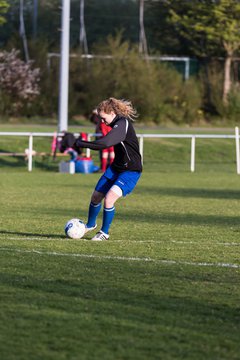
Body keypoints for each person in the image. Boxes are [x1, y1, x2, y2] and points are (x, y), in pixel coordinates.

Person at [74, 97, 142, 241]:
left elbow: (105, 143)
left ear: (112, 113)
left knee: (109, 198)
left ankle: (104, 233)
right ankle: (90, 225)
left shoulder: (123, 123)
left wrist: (82, 143)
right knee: (96, 196)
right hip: (116, 168)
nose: (102, 122)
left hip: (131, 170)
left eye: (103, 118)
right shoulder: (116, 124)